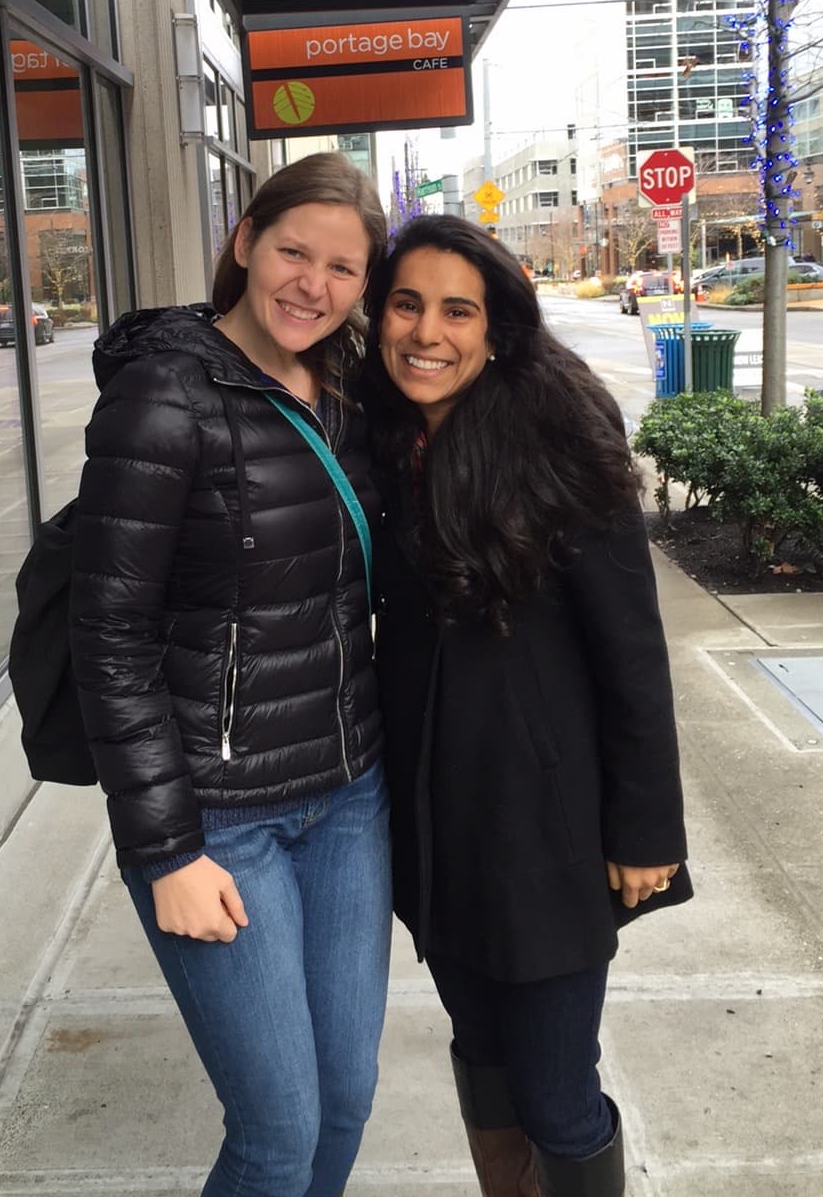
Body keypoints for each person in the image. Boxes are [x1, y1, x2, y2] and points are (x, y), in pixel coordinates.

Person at [69, 152, 391, 1197]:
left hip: (346, 797)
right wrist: (167, 850)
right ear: (245, 241)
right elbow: (107, 632)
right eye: (295, 251)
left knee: (343, 1099)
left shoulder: (346, 386)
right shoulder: (166, 396)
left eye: (344, 268)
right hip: (221, 820)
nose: (314, 284)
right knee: (278, 1130)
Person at [363, 214, 691, 1197]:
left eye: (457, 310)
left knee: (556, 1086)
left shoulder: (559, 439)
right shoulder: (381, 440)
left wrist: (645, 826)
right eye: (407, 303)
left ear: (497, 328)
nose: (428, 332)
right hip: (435, 820)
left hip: (543, 830)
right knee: (482, 1050)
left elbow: (632, 650)